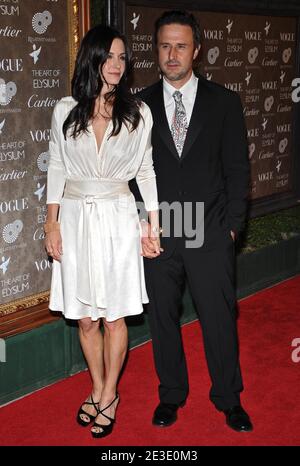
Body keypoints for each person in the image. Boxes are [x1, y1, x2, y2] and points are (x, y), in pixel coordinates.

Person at [131, 10, 253, 432]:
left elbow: (238, 169)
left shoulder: (224, 102)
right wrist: (141, 224)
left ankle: (228, 398)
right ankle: (171, 395)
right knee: (162, 318)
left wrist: (233, 226)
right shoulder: (138, 105)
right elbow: (129, 173)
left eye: (181, 45)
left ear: (197, 50)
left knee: (218, 317)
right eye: (165, 45)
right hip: (160, 229)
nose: (172, 54)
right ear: (156, 49)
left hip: (211, 227)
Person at [44, 25, 160, 439]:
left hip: (116, 216)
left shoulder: (138, 113)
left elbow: (145, 171)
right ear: (91, 59)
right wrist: (50, 220)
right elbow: (56, 166)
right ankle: (96, 385)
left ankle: (109, 393)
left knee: (114, 317)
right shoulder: (64, 110)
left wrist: (153, 225)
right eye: (108, 56)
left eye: (122, 58)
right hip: (74, 218)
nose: (116, 65)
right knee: (87, 319)